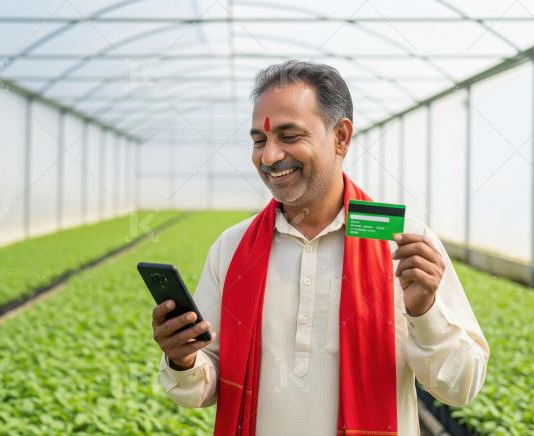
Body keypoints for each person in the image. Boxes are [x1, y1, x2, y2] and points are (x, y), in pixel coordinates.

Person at [150, 60, 489, 436]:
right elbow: (204, 382)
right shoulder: (232, 248)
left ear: (341, 137)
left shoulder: (405, 242)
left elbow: (460, 387)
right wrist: (183, 358)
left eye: (289, 136)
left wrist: (424, 310)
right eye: (259, 141)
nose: (269, 157)